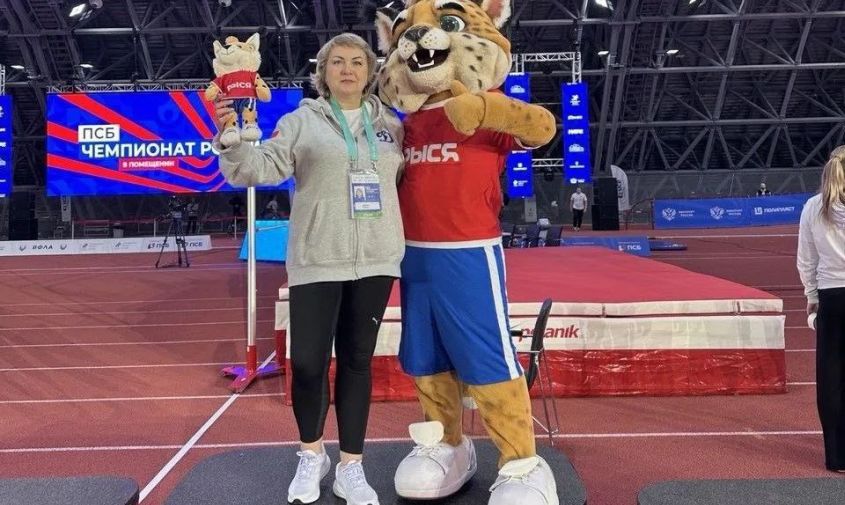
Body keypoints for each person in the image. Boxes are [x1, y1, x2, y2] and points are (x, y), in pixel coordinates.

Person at [213, 33, 405, 504]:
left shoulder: (390, 126)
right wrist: (232, 142)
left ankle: (352, 467)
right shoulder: (300, 122)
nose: (347, 69)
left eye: (357, 61)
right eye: (337, 61)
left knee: (357, 362)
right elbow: (254, 169)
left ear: (370, 71)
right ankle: (311, 454)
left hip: (376, 260)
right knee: (308, 363)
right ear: (323, 71)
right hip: (317, 258)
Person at [797, 145, 845, 474]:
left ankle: (838, 457)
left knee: (831, 377)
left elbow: (806, 259)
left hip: (832, 296)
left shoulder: (813, 207)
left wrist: (811, 295)